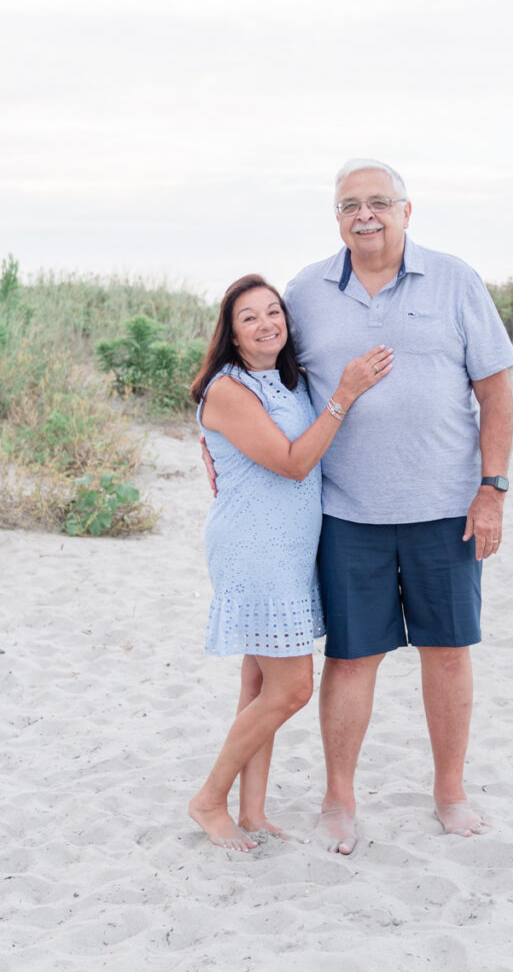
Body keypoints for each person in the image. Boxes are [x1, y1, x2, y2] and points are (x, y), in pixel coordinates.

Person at [283, 159, 513, 854]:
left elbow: (496, 392)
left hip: (445, 507)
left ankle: (449, 793)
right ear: (336, 217)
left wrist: (491, 489)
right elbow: (261, 374)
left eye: (379, 202)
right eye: (350, 204)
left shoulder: (454, 280)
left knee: (446, 655)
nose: (365, 215)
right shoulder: (304, 290)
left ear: (406, 211)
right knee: (351, 660)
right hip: (344, 512)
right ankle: (338, 801)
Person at [188, 273, 392, 851]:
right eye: (248, 317)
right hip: (256, 551)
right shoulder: (230, 390)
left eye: (273, 311)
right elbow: (294, 463)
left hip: (292, 548)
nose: (265, 324)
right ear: (230, 332)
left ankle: (251, 809)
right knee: (292, 687)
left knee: (259, 682)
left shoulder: (284, 381)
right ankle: (208, 799)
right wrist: (345, 392)